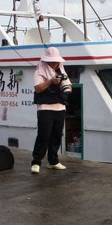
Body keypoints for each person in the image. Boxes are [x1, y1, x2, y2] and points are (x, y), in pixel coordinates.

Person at [31, 46, 72, 174]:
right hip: (45, 107)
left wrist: (67, 86)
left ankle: (53, 161)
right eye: (52, 61)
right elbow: (38, 88)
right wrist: (51, 81)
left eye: (56, 61)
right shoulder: (39, 71)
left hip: (60, 106)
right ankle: (36, 162)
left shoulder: (61, 70)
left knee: (57, 135)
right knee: (44, 135)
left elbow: (69, 85)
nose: (54, 63)